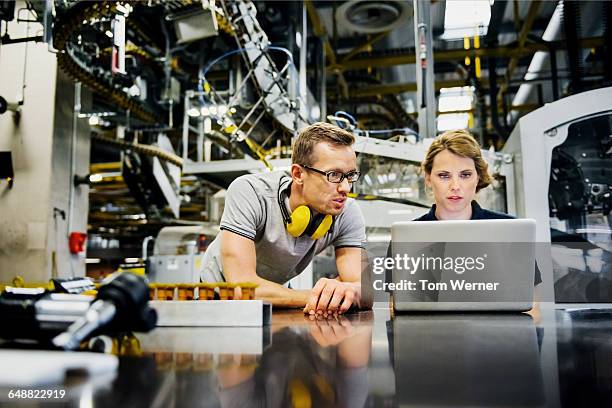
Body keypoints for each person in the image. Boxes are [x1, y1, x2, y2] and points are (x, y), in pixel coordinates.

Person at [201, 122, 367, 315]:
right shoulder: (251, 192)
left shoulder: (347, 212)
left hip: (276, 297)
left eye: (350, 175)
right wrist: (317, 296)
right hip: (217, 296)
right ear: (298, 174)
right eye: (334, 175)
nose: (346, 188)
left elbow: (363, 286)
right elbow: (241, 288)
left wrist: (351, 291)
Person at [416, 129, 542, 287]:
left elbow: (533, 301)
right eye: (444, 175)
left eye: (465, 175)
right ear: (428, 179)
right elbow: (398, 304)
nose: (455, 186)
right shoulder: (406, 238)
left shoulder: (510, 232)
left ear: (478, 177)